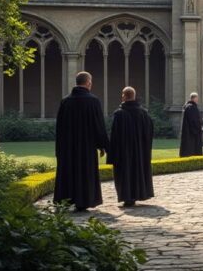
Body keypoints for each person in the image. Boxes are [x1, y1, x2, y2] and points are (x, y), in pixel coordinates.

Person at [54, 71, 109, 212]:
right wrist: (102, 145)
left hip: (68, 147)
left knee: (69, 171)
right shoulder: (93, 101)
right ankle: (84, 201)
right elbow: (99, 125)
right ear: (88, 83)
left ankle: (67, 199)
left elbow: (59, 127)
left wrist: (59, 149)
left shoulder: (65, 101)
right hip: (87, 147)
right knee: (85, 172)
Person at [107, 86, 155, 207]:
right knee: (138, 171)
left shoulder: (119, 114)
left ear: (124, 96)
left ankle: (127, 197)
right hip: (140, 152)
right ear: (134, 96)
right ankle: (140, 193)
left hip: (124, 152)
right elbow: (150, 134)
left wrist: (112, 153)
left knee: (125, 173)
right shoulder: (144, 114)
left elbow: (115, 136)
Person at [179, 92, 203, 157]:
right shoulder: (191, 107)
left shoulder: (187, 106)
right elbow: (194, 120)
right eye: (197, 98)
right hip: (192, 131)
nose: (197, 99)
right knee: (192, 147)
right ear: (194, 98)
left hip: (188, 130)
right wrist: (199, 127)